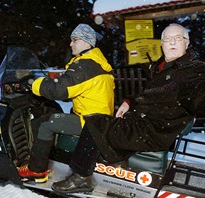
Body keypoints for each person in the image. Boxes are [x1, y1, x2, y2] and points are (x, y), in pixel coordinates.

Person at [51, 23, 205, 194]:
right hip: (142, 122)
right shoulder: (163, 66)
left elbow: (199, 97)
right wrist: (129, 102)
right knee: (106, 121)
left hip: (154, 130)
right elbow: (149, 94)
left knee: (95, 122)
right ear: (161, 44)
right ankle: (116, 164)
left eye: (178, 38)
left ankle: (81, 177)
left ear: (187, 43)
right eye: (167, 39)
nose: (172, 42)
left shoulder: (193, 71)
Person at [16, 23, 115, 182]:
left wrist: (32, 84)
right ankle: (52, 159)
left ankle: (36, 169)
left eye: (75, 40)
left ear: (87, 43)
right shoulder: (95, 63)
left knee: (43, 123)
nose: (71, 44)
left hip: (90, 122)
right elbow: (74, 89)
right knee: (55, 116)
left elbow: (59, 90)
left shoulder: (85, 65)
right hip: (97, 118)